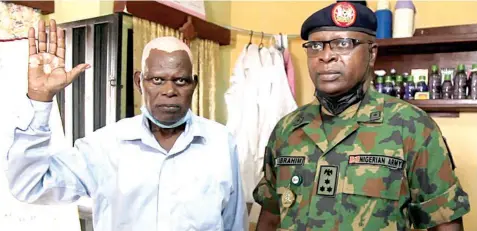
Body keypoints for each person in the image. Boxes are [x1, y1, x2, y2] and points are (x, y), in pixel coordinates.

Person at [5, 19, 248, 231]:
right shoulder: (105, 146)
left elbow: (234, 224)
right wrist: (40, 99)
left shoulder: (221, 144)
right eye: (157, 80)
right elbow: (30, 186)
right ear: (139, 82)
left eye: (181, 80)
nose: (169, 91)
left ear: (193, 85)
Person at [253, 1, 470, 231]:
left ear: (371, 53)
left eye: (343, 43)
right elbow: (270, 214)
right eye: (315, 46)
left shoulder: (412, 127)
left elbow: (445, 222)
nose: (326, 56)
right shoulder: (287, 130)